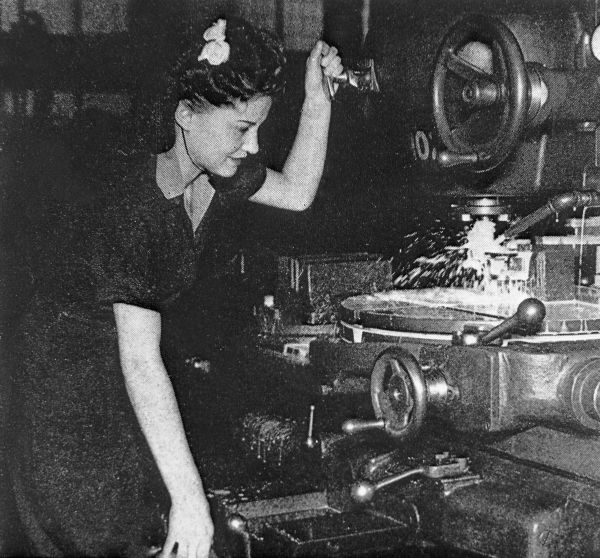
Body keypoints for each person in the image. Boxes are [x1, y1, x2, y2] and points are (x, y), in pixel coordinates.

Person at [9, 15, 342, 558]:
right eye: (241, 128)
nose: (254, 146)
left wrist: (317, 98)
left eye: (259, 127)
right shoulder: (132, 209)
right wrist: (191, 502)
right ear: (186, 114)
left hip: (124, 386)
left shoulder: (214, 172)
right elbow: (141, 360)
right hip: (67, 401)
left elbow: (298, 191)